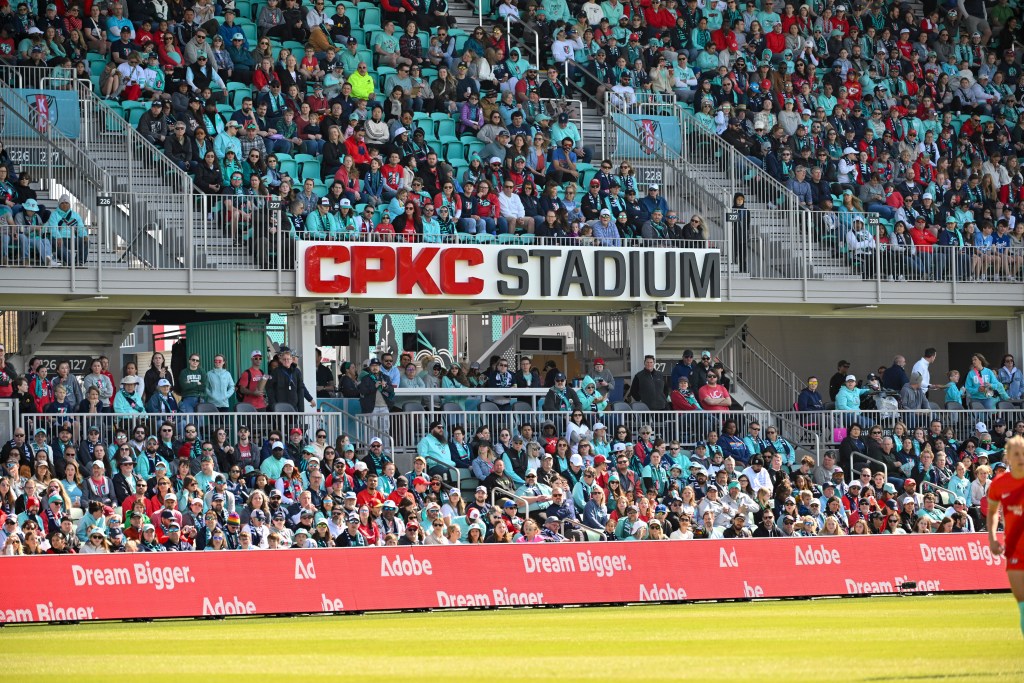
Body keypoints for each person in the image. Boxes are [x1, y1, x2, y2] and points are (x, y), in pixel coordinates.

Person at [986, 434, 1024, 637]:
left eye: (1023, 453)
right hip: (1014, 550)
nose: (1021, 458)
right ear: (1008, 457)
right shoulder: (1000, 484)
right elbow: (992, 512)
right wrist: (992, 538)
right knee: (1023, 606)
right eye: (1016, 454)